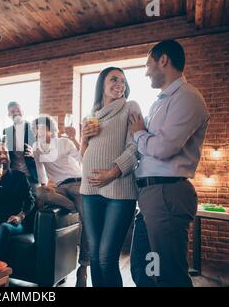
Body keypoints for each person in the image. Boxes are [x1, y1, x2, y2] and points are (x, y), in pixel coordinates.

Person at [129, 40, 209, 287]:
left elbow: (163, 148)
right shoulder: (160, 101)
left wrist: (139, 133)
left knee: (169, 275)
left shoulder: (188, 97)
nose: (146, 71)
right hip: (152, 196)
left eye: (148, 64)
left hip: (167, 193)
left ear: (163, 60)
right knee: (141, 269)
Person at [80, 67, 141, 287]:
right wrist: (84, 140)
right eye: (114, 79)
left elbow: (135, 147)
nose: (120, 84)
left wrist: (112, 173)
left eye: (123, 81)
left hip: (119, 191)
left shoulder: (130, 107)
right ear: (102, 85)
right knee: (95, 257)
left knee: (106, 258)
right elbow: (83, 157)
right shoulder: (91, 115)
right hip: (89, 191)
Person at [29, 115, 89, 287]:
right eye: (35, 129)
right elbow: (41, 172)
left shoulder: (64, 142)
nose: (37, 132)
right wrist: (44, 187)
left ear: (50, 130)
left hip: (77, 182)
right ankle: (74, 209)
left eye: (41, 128)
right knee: (39, 192)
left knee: (88, 224)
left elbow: (81, 159)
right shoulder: (37, 148)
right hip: (59, 188)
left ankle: (83, 267)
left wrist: (75, 139)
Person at [3, 102, 38, 191]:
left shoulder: (34, 128)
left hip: (31, 175)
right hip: (14, 175)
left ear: (23, 111)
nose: (15, 113)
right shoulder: (6, 131)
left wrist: (35, 153)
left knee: (33, 201)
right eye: (12, 111)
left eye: (18, 110)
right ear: (8, 115)